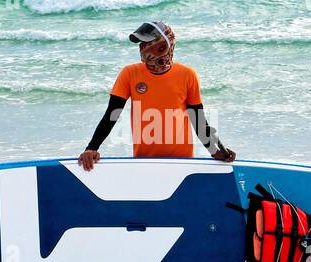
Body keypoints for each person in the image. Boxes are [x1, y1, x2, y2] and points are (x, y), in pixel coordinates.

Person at [78, 20, 236, 171]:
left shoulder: (187, 75)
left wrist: (215, 151)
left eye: (148, 42)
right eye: (142, 43)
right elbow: (112, 115)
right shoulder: (129, 74)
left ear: (165, 43)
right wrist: (92, 147)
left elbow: (198, 120)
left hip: (182, 161)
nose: (144, 47)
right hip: (145, 161)